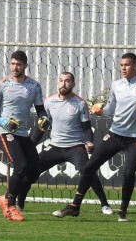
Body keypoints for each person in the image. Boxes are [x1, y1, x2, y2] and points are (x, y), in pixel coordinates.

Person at [55, 53, 136, 222]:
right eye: (121, 65)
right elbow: (110, 110)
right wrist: (100, 111)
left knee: (128, 174)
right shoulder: (116, 85)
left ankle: (123, 211)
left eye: (127, 65)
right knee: (89, 167)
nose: (123, 68)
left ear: (135, 66)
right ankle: (75, 206)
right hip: (114, 134)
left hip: (135, 138)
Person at [27, 71, 113, 216]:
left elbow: (86, 128)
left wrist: (89, 142)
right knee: (31, 170)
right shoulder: (48, 102)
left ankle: (104, 204)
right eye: (61, 80)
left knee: (88, 172)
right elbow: (42, 127)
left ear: (73, 84)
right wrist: (29, 146)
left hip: (75, 147)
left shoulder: (80, 103)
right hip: (54, 146)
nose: (63, 84)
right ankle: (18, 203)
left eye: (67, 81)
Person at [0, 50, 49, 222]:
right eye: (13, 63)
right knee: (21, 166)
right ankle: (11, 207)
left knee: (34, 169)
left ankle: (6, 197)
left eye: (18, 64)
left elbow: (40, 109)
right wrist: (4, 121)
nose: (15, 67)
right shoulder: (2, 85)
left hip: (22, 132)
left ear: (25, 66)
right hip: (6, 131)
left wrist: (44, 118)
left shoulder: (34, 86)